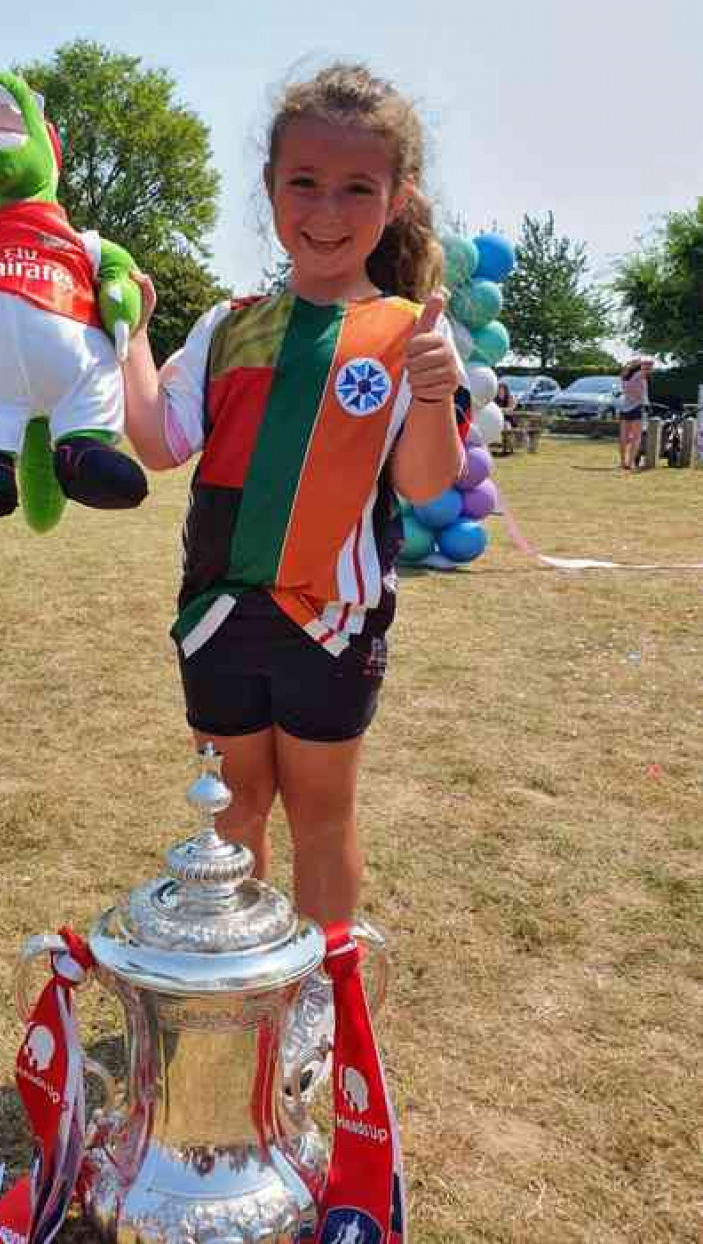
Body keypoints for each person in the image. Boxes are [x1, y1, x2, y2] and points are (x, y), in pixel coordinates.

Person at [121, 62, 469, 935]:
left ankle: (319, 1000)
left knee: (320, 819)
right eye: (303, 183)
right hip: (218, 615)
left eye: (358, 188)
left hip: (334, 622)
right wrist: (129, 330)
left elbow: (425, 484)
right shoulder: (227, 325)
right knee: (232, 817)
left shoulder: (407, 331)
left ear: (396, 199)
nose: (326, 211)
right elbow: (161, 444)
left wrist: (431, 394)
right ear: (270, 190)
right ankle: (242, 982)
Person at [618, 356, 652, 470]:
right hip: (638, 408)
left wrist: (631, 363)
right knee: (636, 438)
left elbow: (625, 370)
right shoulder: (639, 376)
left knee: (624, 438)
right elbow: (647, 367)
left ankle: (623, 462)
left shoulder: (624, 378)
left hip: (625, 408)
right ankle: (631, 462)